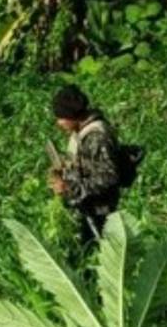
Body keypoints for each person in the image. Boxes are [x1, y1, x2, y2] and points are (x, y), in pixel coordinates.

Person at [48, 85, 123, 246]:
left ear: (72, 115)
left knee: (100, 254)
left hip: (100, 212)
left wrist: (68, 187)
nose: (58, 123)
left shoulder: (96, 137)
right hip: (89, 207)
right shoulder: (82, 132)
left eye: (61, 117)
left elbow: (109, 177)